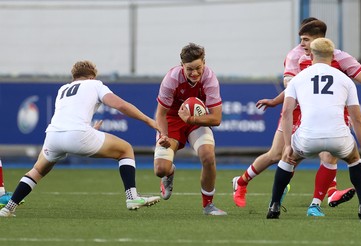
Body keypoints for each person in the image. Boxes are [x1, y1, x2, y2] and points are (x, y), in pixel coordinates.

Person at [232, 18, 361, 216]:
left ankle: (318, 201)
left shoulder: (339, 57)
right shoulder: (295, 56)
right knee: (277, 154)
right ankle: (242, 181)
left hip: (322, 112)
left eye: (305, 40)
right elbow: (291, 92)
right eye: (301, 40)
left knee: (328, 152)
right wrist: (275, 101)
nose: (301, 44)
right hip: (297, 109)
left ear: (318, 41)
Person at [0, 60, 160, 217]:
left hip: (53, 136)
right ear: (91, 77)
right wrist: (148, 120)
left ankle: (8, 208)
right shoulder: (95, 84)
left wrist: (89, 131)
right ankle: (132, 198)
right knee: (125, 149)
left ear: (74, 77)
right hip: (78, 135)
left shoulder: (63, 89)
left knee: (37, 171)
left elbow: (68, 118)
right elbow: (120, 105)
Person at [266, 37, 361, 220]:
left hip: (307, 138)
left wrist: (287, 145)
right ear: (332, 55)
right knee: (354, 159)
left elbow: (286, 112)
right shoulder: (345, 80)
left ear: (310, 56)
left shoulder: (298, 79)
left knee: (288, 160)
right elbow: (358, 118)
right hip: (338, 138)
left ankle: (275, 205)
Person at [154, 43, 227, 216]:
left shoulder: (210, 79)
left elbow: (216, 118)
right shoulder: (171, 79)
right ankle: (170, 172)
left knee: (208, 156)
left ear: (204, 63)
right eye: (189, 69)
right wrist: (163, 135)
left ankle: (208, 205)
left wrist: (192, 119)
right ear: (182, 66)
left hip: (197, 120)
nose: (194, 73)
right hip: (172, 118)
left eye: (198, 68)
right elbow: (161, 114)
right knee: (160, 170)